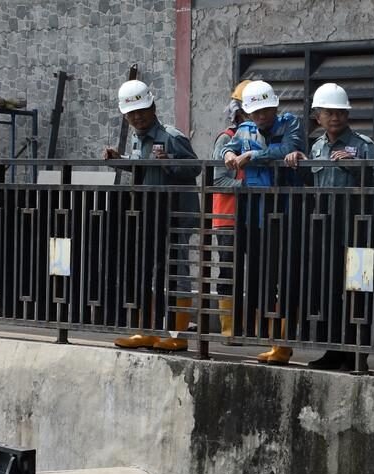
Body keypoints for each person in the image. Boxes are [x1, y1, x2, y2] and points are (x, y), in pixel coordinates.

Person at [105, 79, 200, 353]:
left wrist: (169, 162)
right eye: (133, 114)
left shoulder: (172, 136)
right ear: (125, 116)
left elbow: (194, 168)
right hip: (148, 214)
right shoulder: (137, 137)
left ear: (154, 107)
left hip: (175, 215)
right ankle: (144, 332)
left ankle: (177, 334)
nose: (139, 117)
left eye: (143, 111)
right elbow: (142, 168)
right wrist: (120, 161)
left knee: (177, 273)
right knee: (146, 272)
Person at [223, 79, 308, 365]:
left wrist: (253, 155)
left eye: (267, 110)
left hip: (285, 212)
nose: (262, 116)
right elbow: (227, 148)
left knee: (284, 276)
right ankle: (272, 340)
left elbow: (287, 149)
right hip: (255, 213)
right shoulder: (244, 130)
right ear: (247, 113)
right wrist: (230, 154)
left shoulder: (290, 123)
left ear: (275, 107)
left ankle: (284, 342)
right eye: (257, 112)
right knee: (261, 276)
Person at [302, 82, 374, 372]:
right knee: (329, 289)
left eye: (340, 113)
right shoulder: (317, 146)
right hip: (327, 229)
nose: (335, 118)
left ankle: (358, 352)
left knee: (358, 289)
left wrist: (355, 165)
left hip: (358, 230)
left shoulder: (363, 145)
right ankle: (333, 349)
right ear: (317, 117)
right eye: (328, 113)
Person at [210, 80, 251, 342]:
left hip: (253, 215)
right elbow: (217, 179)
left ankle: (256, 328)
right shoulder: (227, 139)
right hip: (228, 217)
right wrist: (248, 186)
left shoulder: (261, 139)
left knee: (259, 272)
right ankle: (229, 329)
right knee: (228, 271)